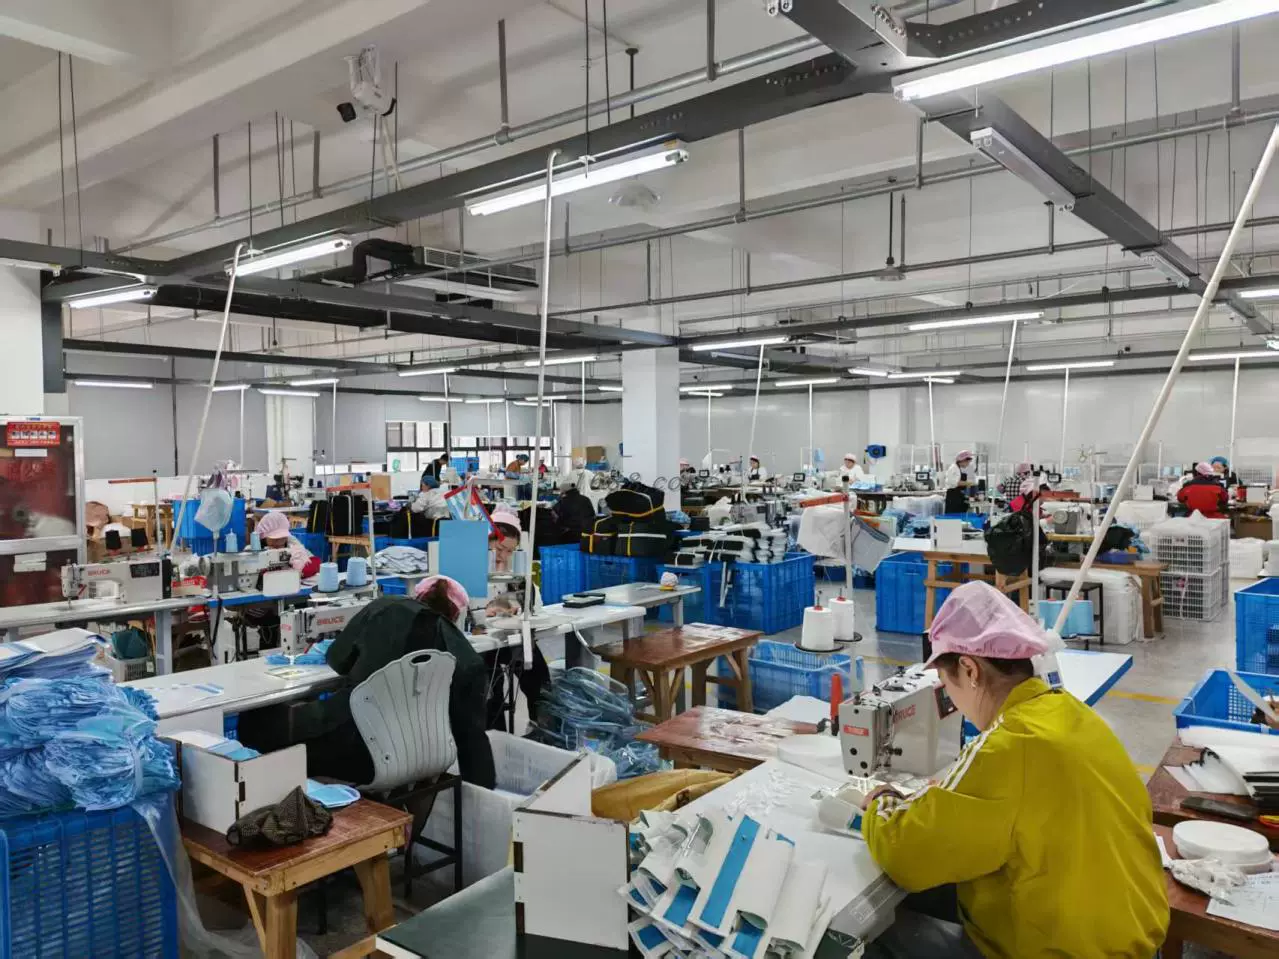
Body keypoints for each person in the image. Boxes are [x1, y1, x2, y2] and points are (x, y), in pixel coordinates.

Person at [860, 582, 1168, 959]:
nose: (951, 699)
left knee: (874, 933)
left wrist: (883, 801)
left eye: (946, 685)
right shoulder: (1072, 713)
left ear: (969, 669)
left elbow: (905, 854)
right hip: (1134, 941)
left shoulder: (1006, 746)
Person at [236, 582, 496, 788]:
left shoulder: (386, 607)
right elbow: (473, 741)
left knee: (256, 722)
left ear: (417, 596)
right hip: (428, 759)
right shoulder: (467, 658)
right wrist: (485, 800)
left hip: (361, 755)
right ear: (455, 616)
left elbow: (338, 660)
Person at [480, 506, 550, 730]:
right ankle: (497, 738)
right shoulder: (472, 571)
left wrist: (519, 607)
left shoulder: (516, 574)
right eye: (500, 549)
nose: (504, 556)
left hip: (512, 640)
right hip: (483, 645)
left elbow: (536, 607)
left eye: (510, 551)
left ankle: (542, 730)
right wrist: (486, 611)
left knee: (539, 678)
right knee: (490, 689)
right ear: (487, 543)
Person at [255, 510, 321, 577]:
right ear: (264, 536)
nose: (279, 540)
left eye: (282, 536)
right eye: (275, 538)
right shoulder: (256, 545)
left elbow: (315, 562)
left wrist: (298, 571)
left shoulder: (290, 540)